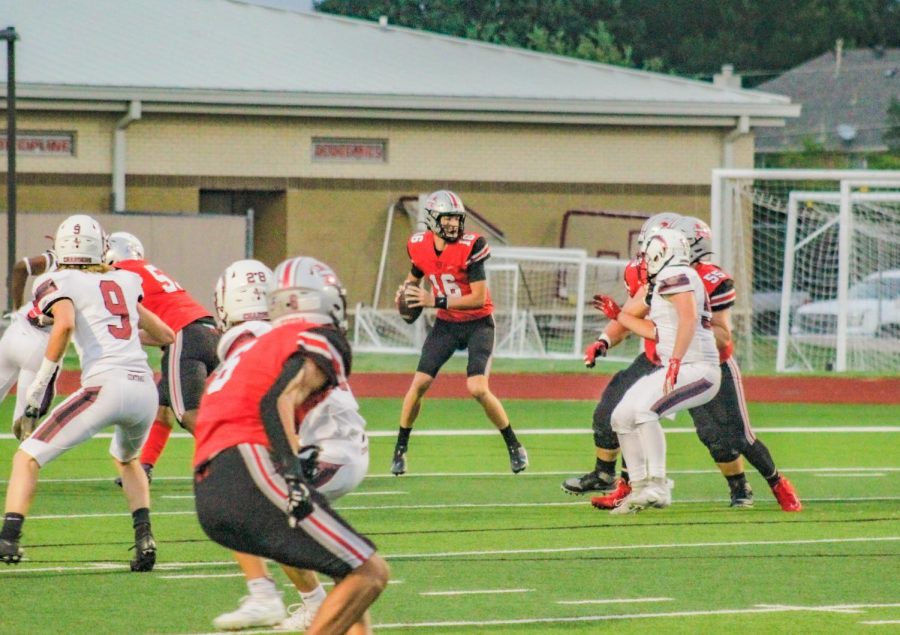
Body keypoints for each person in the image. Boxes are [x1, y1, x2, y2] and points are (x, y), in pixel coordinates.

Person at [193, 256, 388, 635]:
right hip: (253, 463)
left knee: (347, 569)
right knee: (369, 571)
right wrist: (294, 477)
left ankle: (266, 592)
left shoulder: (250, 347)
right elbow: (276, 400)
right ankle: (270, 596)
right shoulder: (317, 337)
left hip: (210, 484)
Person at [0, 215, 175, 569]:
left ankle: (8, 539)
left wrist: (38, 388)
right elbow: (166, 335)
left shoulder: (57, 279)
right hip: (143, 390)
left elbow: (62, 325)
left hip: (104, 387)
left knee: (26, 456)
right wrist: (116, 336)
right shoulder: (124, 280)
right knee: (127, 460)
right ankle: (145, 540)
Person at [391, 190, 527, 475]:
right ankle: (400, 449)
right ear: (431, 220)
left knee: (477, 388)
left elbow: (478, 297)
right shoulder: (419, 245)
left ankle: (514, 445)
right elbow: (414, 276)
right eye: (447, 219)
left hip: (478, 323)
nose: (453, 225)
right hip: (447, 325)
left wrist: (433, 300)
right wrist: (405, 292)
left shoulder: (472, 245)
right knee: (418, 385)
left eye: (456, 219)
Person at [671, 216, 801, 511]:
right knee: (710, 435)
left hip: (716, 364)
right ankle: (739, 488)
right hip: (686, 366)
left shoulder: (711, 279)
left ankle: (778, 483)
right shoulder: (662, 278)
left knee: (738, 435)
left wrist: (688, 327)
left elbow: (722, 335)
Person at [593, 227, 721, 513]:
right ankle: (638, 488)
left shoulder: (679, 274)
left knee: (643, 412)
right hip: (677, 364)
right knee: (621, 415)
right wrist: (619, 316)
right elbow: (654, 332)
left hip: (698, 367)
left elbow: (688, 319)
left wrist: (675, 360)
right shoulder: (664, 281)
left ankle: (658, 485)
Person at [561, 213, 681, 503]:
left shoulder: (683, 277)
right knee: (612, 407)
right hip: (654, 358)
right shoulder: (641, 273)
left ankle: (744, 486)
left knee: (721, 434)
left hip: (684, 361)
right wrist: (603, 341)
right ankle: (608, 475)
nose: (650, 255)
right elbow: (629, 315)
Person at [105, 232, 220, 484]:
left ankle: (235, 462)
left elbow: (165, 331)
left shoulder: (120, 273)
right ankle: (143, 467)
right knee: (162, 408)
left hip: (185, 334)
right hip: (206, 332)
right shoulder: (147, 269)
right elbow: (160, 333)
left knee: (187, 414)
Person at [0, 248, 58, 438]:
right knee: (25, 427)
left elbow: (20, 267)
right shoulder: (91, 276)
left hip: (15, 331)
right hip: (40, 343)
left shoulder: (55, 258)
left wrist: (17, 308)